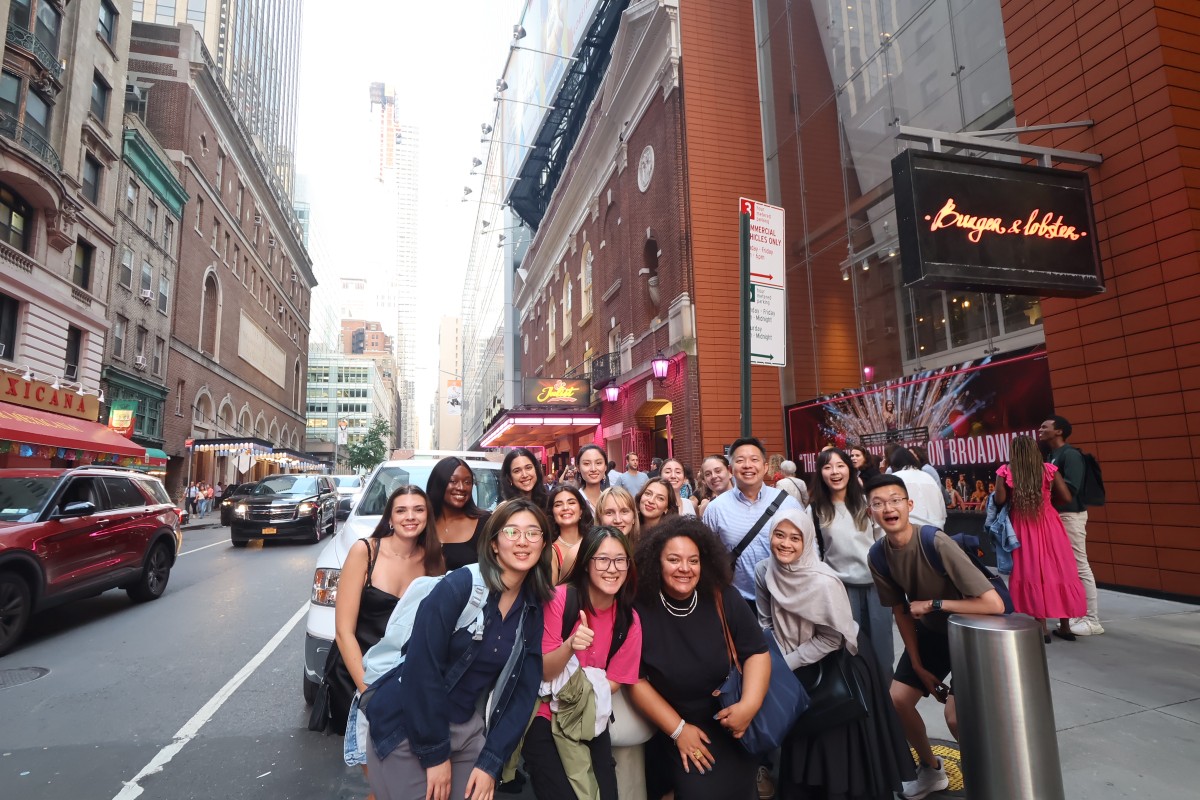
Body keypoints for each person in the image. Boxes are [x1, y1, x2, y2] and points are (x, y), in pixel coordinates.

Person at [364, 499, 555, 800]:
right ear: (493, 544)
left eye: (533, 533)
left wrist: (491, 761)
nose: (523, 541)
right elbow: (421, 668)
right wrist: (435, 754)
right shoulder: (461, 586)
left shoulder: (531, 607)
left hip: (466, 729)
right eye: (512, 532)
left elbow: (523, 690)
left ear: (543, 544)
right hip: (410, 724)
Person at [754, 511, 913, 800]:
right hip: (795, 664)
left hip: (838, 662)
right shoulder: (764, 571)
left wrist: (785, 665)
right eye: (779, 535)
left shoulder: (823, 581)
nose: (786, 543)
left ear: (807, 541)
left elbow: (833, 638)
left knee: (837, 742)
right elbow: (765, 623)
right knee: (803, 737)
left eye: (795, 537)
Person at [865, 474, 1006, 800]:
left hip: (974, 632)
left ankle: (994, 780)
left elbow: (993, 603)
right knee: (897, 700)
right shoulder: (878, 556)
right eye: (879, 503)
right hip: (933, 634)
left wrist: (934, 604)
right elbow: (901, 610)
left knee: (955, 717)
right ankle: (931, 770)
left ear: (909, 505)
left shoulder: (935, 541)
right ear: (870, 512)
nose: (888, 507)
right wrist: (917, 663)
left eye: (895, 499)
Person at [628, 516, 770, 800]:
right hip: (674, 726)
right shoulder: (639, 609)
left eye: (693, 560)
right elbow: (636, 680)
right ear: (656, 562)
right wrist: (679, 731)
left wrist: (749, 706)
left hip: (732, 723)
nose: (685, 568)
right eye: (674, 559)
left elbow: (756, 651)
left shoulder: (722, 597)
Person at [333, 486, 444, 788]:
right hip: (362, 675)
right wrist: (368, 691)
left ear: (427, 516)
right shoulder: (365, 551)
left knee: (408, 774)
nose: (411, 516)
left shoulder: (434, 559)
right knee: (379, 778)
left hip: (407, 679)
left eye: (419, 509)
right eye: (401, 510)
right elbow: (343, 631)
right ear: (390, 518)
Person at [523, 525, 643, 800]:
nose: (611, 568)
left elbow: (615, 680)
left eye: (620, 560)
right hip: (545, 715)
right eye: (602, 559)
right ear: (587, 563)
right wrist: (570, 645)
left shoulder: (629, 620)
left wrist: (577, 687)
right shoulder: (560, 599)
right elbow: (544, 670)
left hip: (589, 715)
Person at [810, 448, 894, 679]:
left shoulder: (869, 503)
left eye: (840, 465)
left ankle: (885, 706)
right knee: (849, 652)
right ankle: (860, 707)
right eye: (827, 467)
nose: (835, 472)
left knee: (882, 654)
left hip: (877, 587)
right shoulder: (815, 510)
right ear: (820, 473)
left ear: (850, 468)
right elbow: (814, 554)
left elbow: (883, 542)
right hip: (840, 590)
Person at [994, 435, 1086, 642]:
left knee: (1033, 572)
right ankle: (1065, 626)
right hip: (1050, 523)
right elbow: (1066, 497)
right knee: (1060, 570)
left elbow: (1000, 499)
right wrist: (1047, 503)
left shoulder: (1006, 471)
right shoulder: (1048, 470)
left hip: (1022, 526)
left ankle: (1042, 628)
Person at [702, 437, 803, 607]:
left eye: (754, 460)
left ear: (765, 467)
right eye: (740, 461)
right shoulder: (716, 509)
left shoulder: (788, 503)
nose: (747, 465)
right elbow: (706, 555)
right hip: (737, 602)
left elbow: (808, 547)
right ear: (731, 469)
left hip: (785, 598)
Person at [1039, 415, 1103, 637]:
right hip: (1057, 517)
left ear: (1059, 432)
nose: (1040, 429)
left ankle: (1092, 619)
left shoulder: (1071, 455)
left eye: (1045, 426)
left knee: (1079, 564)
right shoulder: (1052, 455)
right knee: (1064, 568)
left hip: (1071, 516)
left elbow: (1070, 489)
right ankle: (1076, 614)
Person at [428, 457, 491, 571]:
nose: (461, 487)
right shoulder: (422, 522)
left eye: (467, 482)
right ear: (439, 483)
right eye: (453, 481)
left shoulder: (486, 522)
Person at [884, 447, 947, 530]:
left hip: (909, 533)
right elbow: (943, 513)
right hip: (936, 531)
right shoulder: (929, 478)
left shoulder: (894, 478)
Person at [548, 485, 594, 584]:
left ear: (581, 510)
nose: (565, 508)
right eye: (558, 505)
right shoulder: (551, 553)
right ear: (552, 513)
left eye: (571, 502)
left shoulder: (594, 542)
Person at [577, 444, 610, 512]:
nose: (593, 469)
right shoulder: (574, 500)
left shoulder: (611, 500)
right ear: (578, 468)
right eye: (586, 463)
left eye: (598, 463)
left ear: (605, 467)